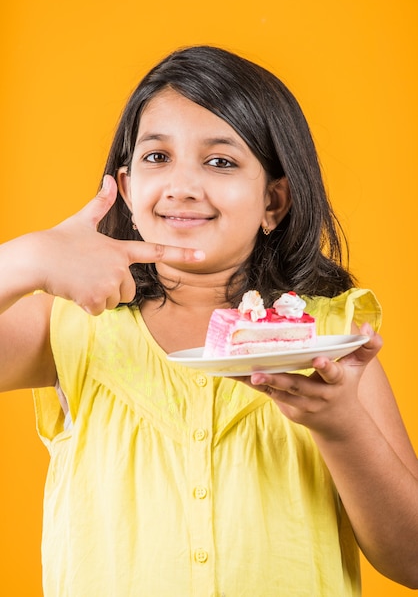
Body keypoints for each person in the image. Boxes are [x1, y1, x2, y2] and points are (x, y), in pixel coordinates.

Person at [0, 45, 417, 596]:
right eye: (157, 157)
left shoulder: (326, 338)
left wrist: (341, 425)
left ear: (274, 201)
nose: (182, 186)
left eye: (220, 162)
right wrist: (23, 259)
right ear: (124, 189)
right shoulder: (70, 325)